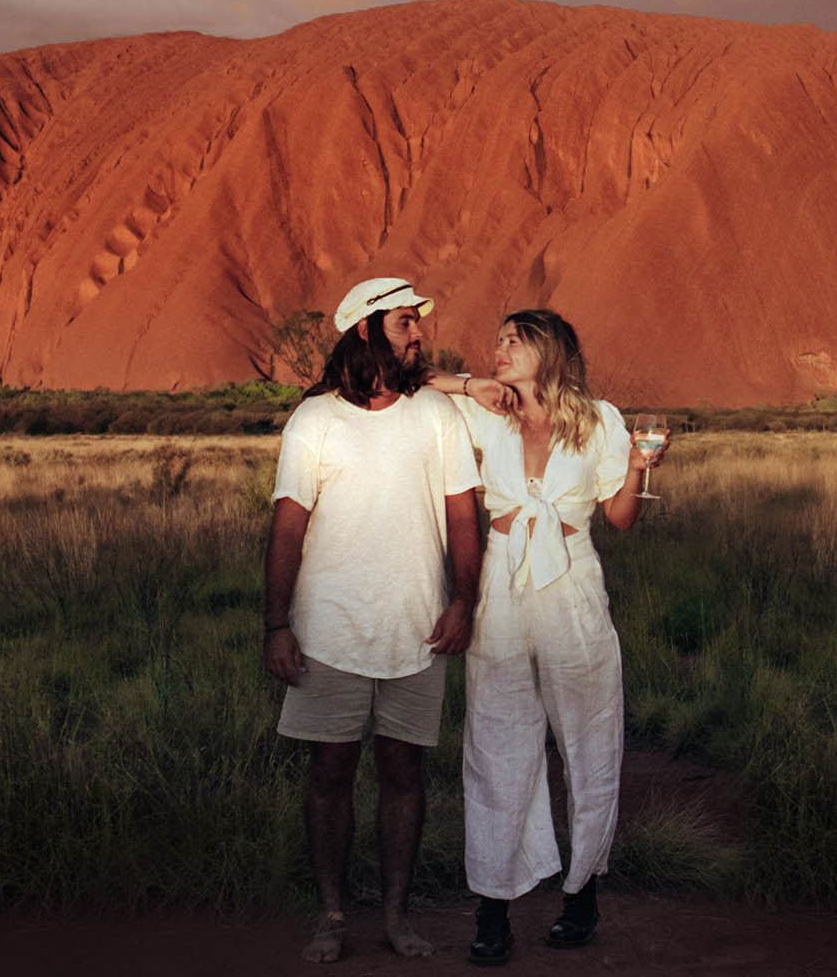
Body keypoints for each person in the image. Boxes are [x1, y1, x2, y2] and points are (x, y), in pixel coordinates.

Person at [424, 308, 668, 966]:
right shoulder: (486, 412)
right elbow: (408, 378)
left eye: (515, 340)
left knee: (589, 737)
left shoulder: (600, 420)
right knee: (496, 739)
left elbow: (620, 517)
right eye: (498, 339)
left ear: (550, 350)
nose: (500, 347)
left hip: (572, 583)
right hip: (503, 580)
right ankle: (493, 908)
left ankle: (582, 890)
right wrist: (469, 384)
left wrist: (640, 467)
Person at [263, 277, 483, 963]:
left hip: (418, 629)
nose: (418, 333)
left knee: (403, 773)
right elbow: (288, 527)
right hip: (328, 631)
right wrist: (276, 624)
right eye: (404, 322)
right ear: (365, 329)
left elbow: (464, 515)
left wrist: (463, 601)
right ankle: (331, 914)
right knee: (330, 772)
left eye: (417, 321)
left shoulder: (437, 415)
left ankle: (395, 915)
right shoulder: (315, 421)